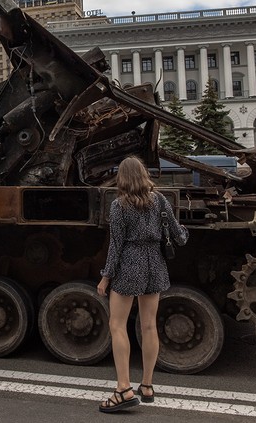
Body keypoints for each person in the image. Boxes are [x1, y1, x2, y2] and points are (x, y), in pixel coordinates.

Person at [96, 157, 189, 413]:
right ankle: (147, 386)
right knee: (149, 325)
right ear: (143, 174)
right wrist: (184, 231)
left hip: (130, 263)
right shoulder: (160, 200)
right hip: (155, 264)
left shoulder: (119, 206)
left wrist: (106, 276)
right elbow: (179, 237)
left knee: (117, 325)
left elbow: (115, 246)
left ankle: (123, 389)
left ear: (122, 178)